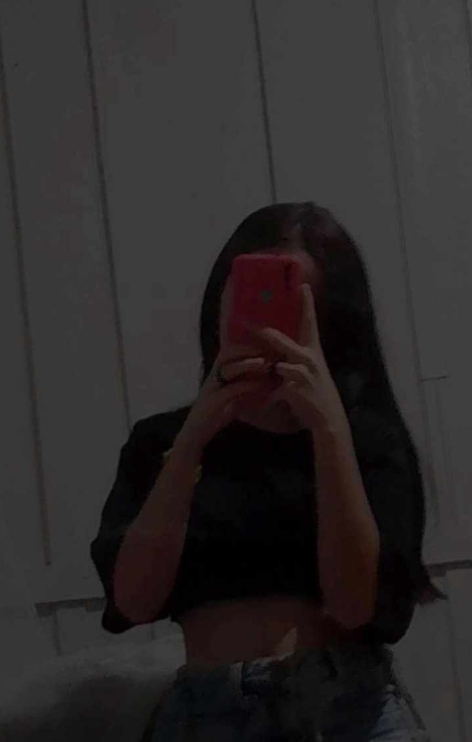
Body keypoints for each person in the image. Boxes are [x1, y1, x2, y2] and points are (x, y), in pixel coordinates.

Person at [90, 202, 446, 741]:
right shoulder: (161, 441)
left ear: (331, 319)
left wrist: (328, 428)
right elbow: (133, 602)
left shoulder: (366, 441)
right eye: (249, 296)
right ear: (220, 303)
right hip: (206, 716)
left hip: (344, 710)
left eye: (296, 304)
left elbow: (355, 606)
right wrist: (194, 437)